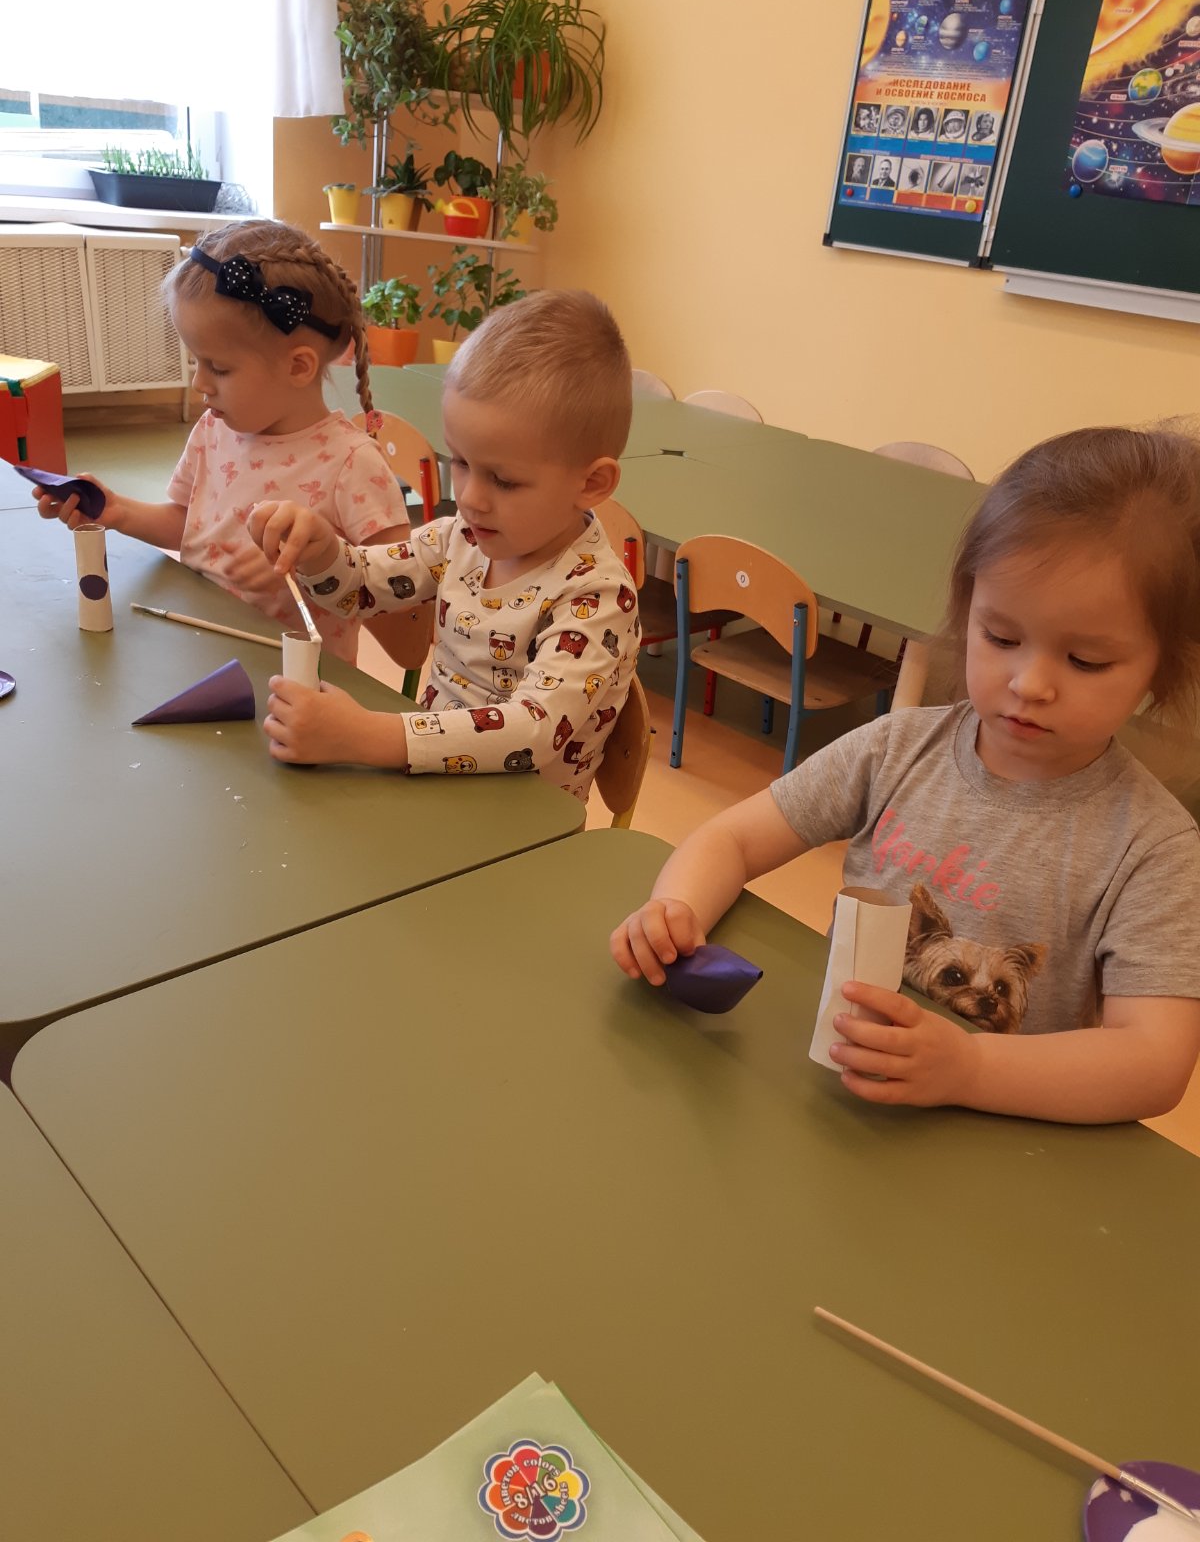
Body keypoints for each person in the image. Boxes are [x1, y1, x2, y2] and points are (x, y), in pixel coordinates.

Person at [611, 426, 1200, 1124]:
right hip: (841, 1097)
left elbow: (1153, 1062)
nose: (1030, 684)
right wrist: (675, 911)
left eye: (1086, 661)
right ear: (967, 613)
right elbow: (732, 840)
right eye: (1001, 637)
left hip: (999, 1133)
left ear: (1161, 668)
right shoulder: (897, 749)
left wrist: (970, 1068)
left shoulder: (1156, 849)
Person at [246, 289, 639, 800]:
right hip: (432, 789)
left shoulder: (599, 595)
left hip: (522, 825)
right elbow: (359, 587)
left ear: (591, 483)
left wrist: (363, 735)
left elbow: (533, 730)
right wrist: (322, 550)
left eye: (504, 480)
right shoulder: (461, 539)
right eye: (461, 462)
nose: (468, 498)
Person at [33, 219, 412, 667]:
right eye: (196, 361)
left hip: (294, 684)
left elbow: (407, 628)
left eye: (219, 368)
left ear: (298, 367)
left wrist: (320, 566)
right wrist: (118, 512)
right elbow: (189, 525)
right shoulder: (215, 429)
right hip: (199, 650)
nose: (199, 383)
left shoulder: (352, 464)